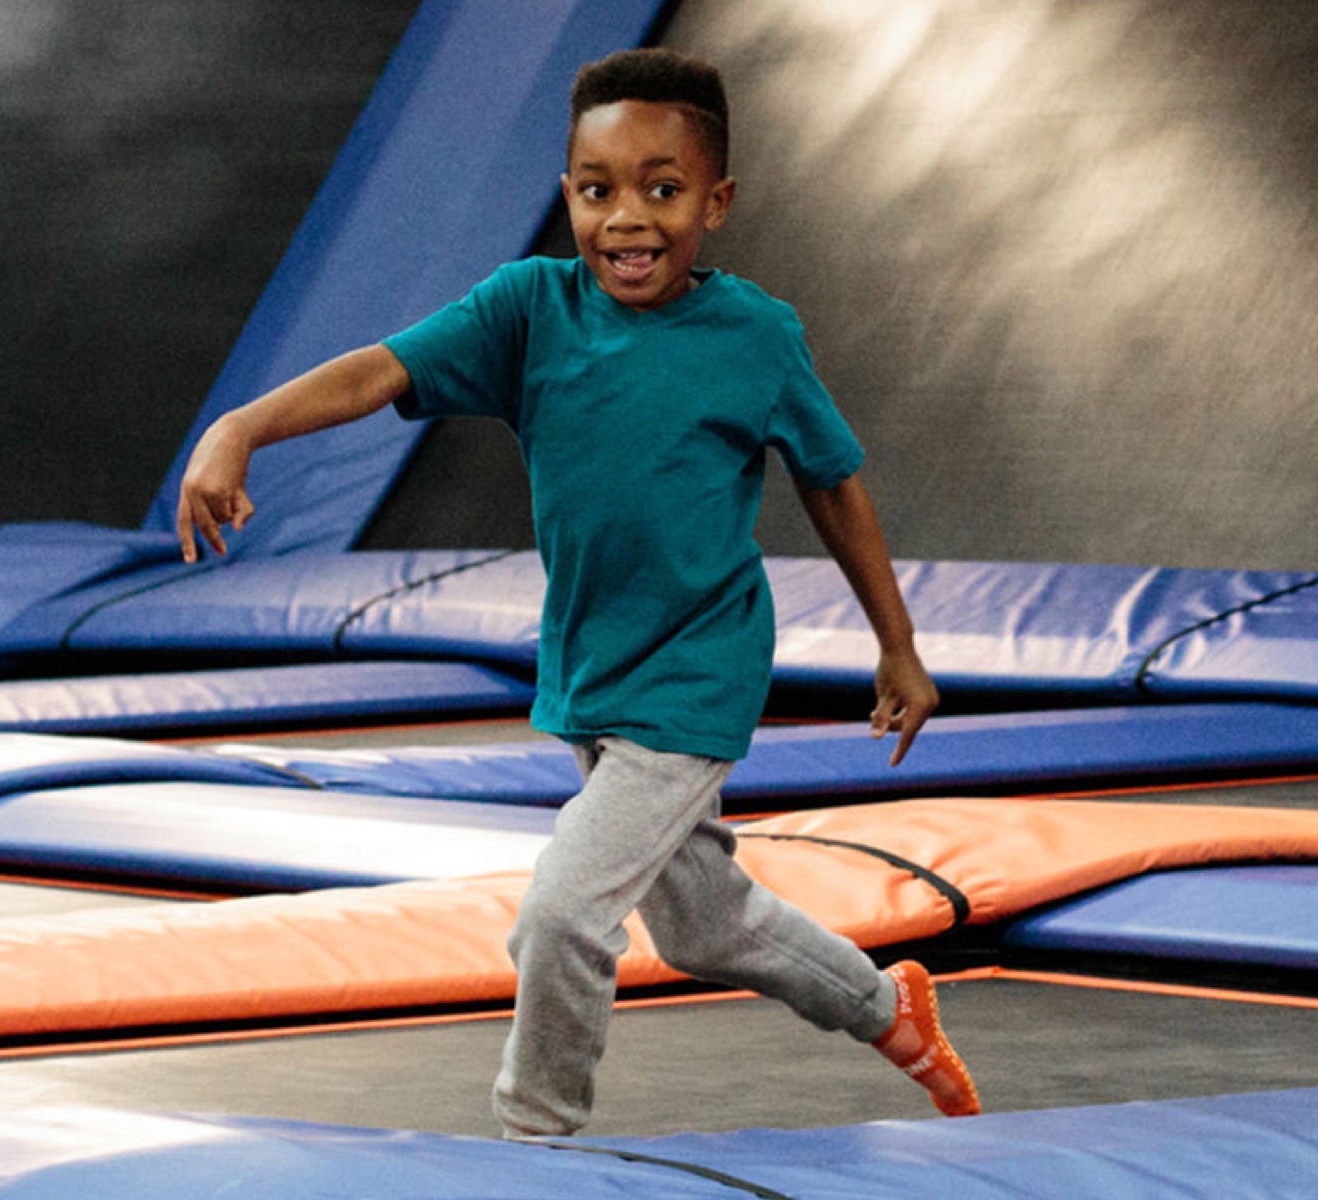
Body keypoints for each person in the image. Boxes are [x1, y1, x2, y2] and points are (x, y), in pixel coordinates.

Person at [176, 46, 979, 1138]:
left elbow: (833, 484)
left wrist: (899, 646)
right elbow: (378, 370)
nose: (628, 219)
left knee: (562, 915)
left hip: (696, 674)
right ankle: (891, 1009)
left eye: (663, 188)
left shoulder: (755, 338)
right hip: (593, 671)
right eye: (598, 190)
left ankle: (535, 1139)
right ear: (568, 195)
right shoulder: (528, 311)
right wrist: (239, 429)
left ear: (717, 202)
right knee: (703, 924)